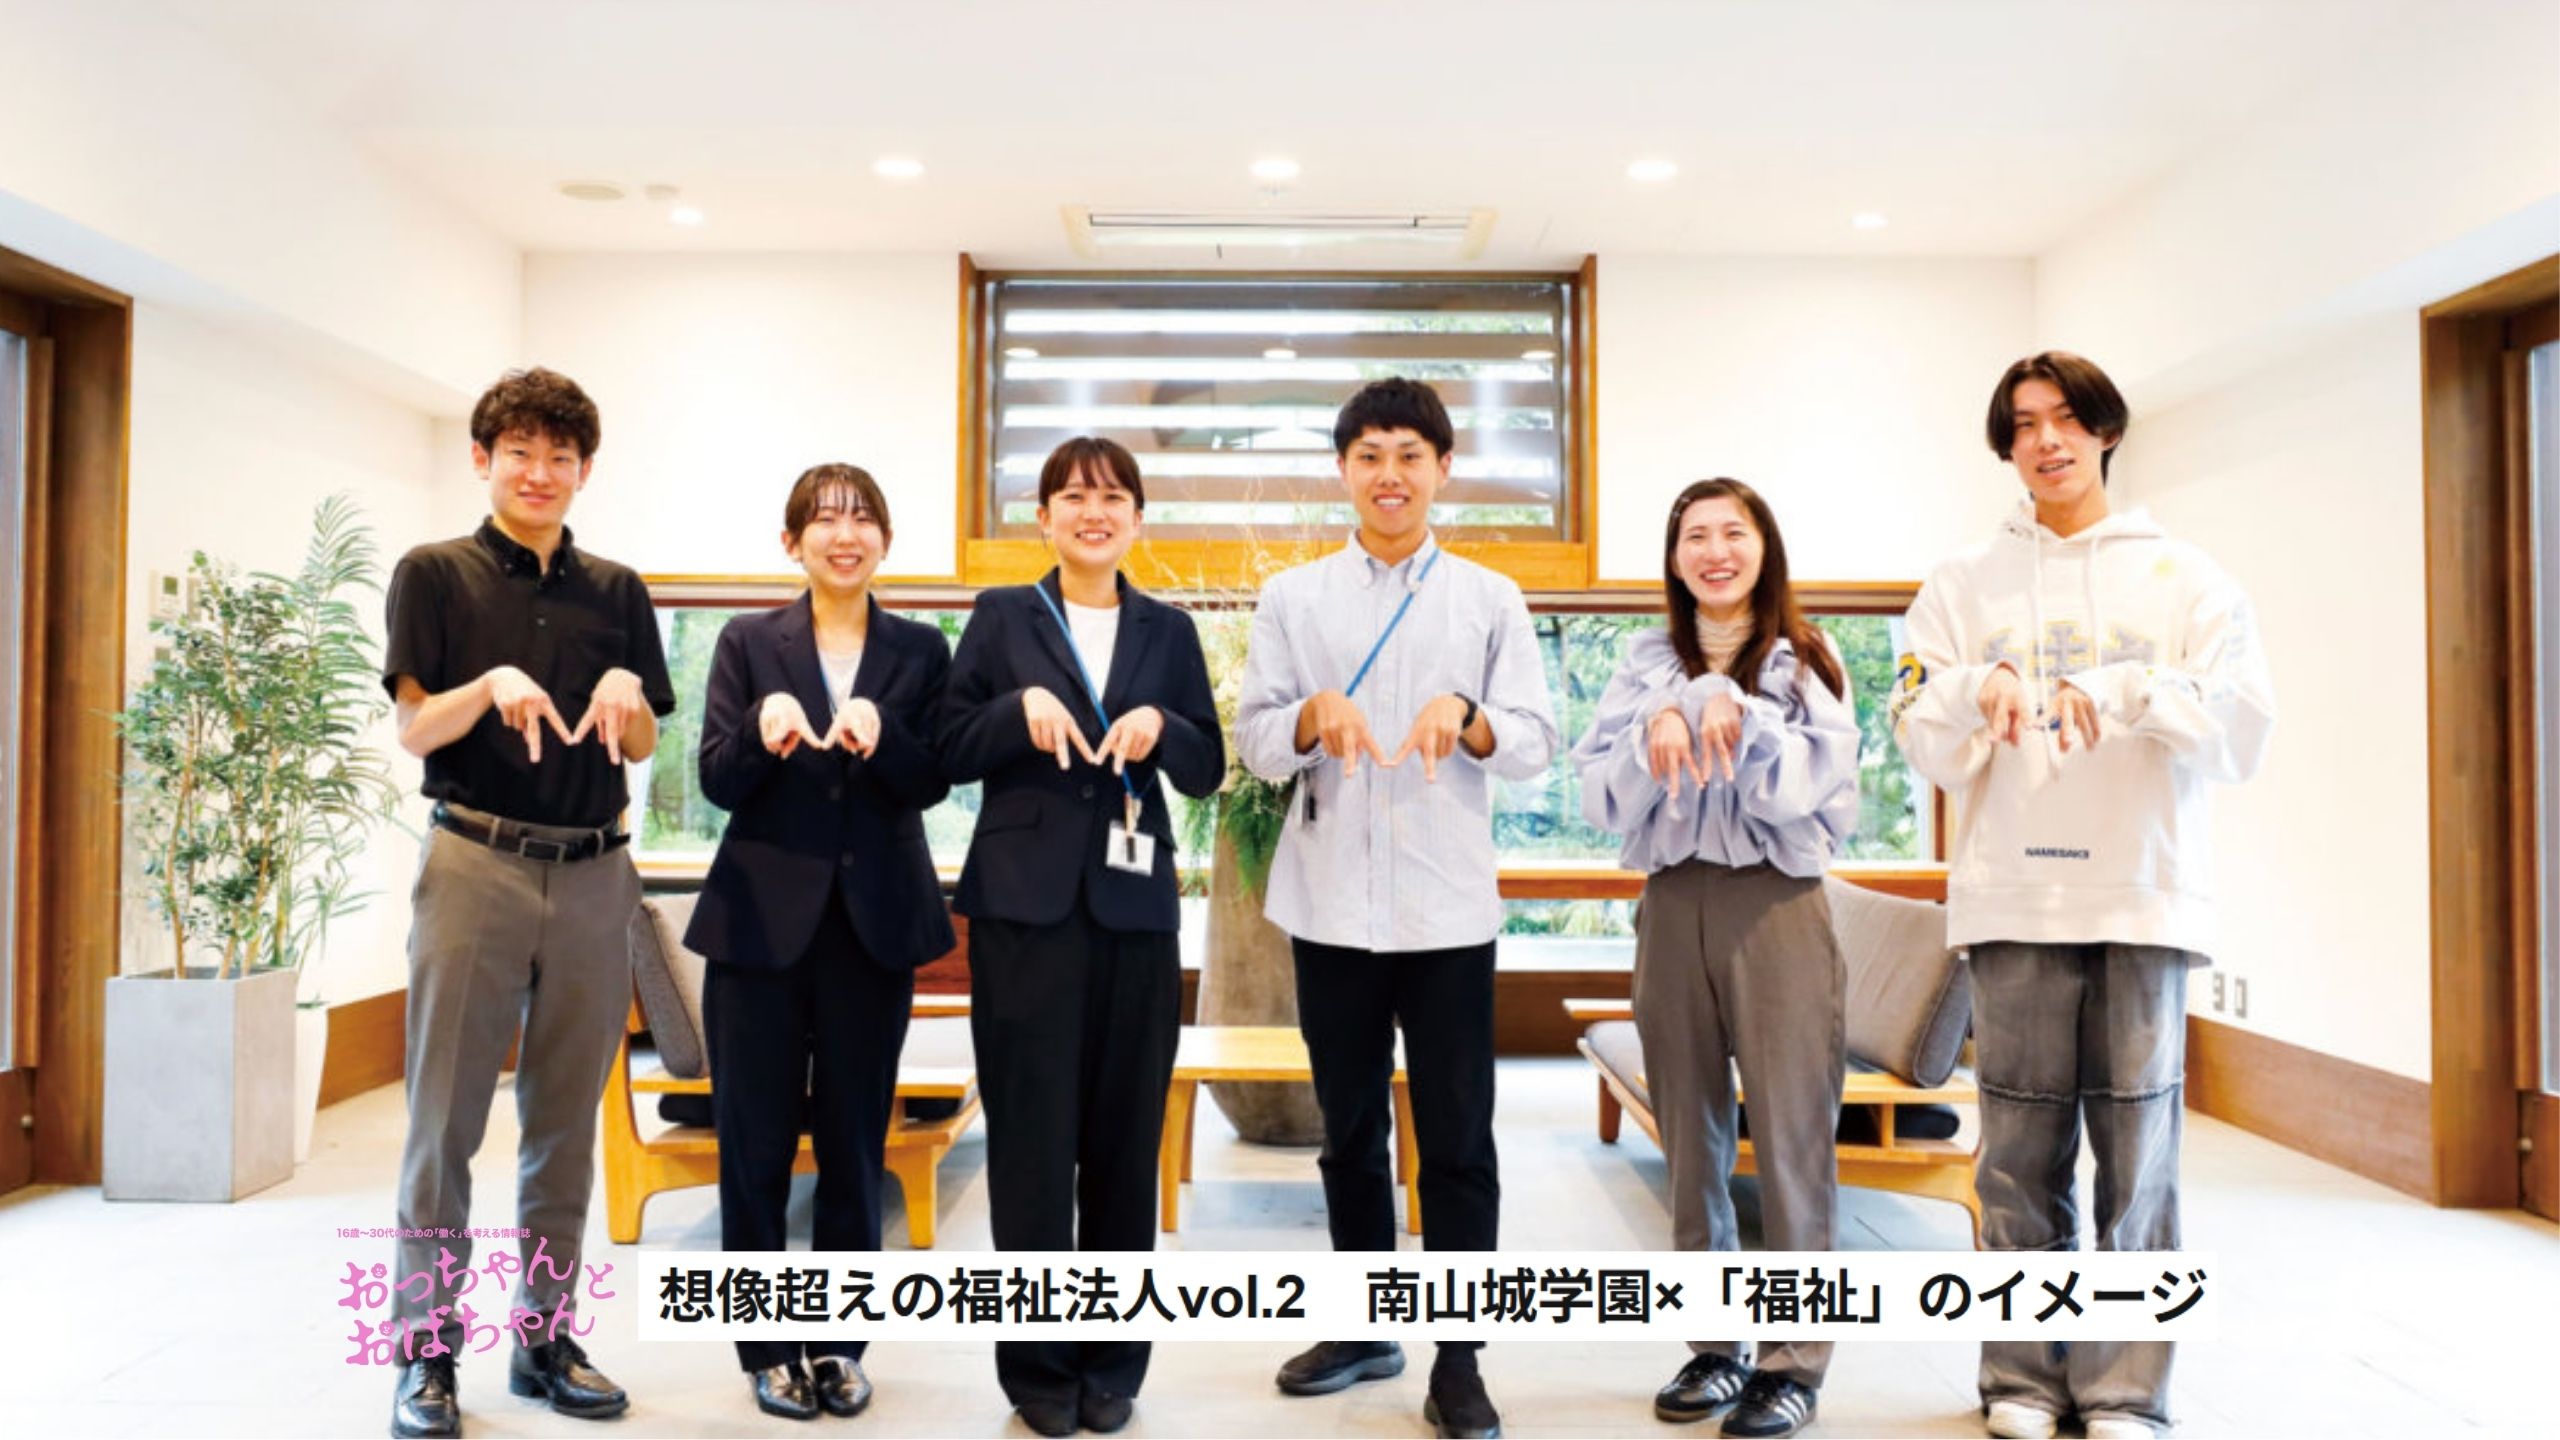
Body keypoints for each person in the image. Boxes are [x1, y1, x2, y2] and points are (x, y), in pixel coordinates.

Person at [1891, 352, 2275, 1440]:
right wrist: (1981, 686)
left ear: (2105, 431)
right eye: (2023, 425)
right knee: (2016, 1154)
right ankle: (2020, 1379)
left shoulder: (2187, 578)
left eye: (2065, 419)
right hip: (2013, 895)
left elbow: (2242, 728)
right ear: (2005, 446)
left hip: (2144, 895)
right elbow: (1914, 723)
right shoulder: (1962, 582)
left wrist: (2133, 687)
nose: (2046, 441)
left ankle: (2125, 1389)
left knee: (2140, 1159)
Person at [1235, 377, 1559, 1440]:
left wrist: (1468, 717)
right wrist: (1307, 716)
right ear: (1343, 470)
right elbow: (1253, 742)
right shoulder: (1294, 598)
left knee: (1458, 1139)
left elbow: (1535, 743)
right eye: (1369, 454)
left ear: (1443, 470)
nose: (1389, 474)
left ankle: (1459, 1358)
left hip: (1447, 911)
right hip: (1330, 906)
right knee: (1349, 1133)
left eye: (1410, 455)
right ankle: (1364, 1326)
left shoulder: (1488, 598)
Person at [382, 367, 674, 1440]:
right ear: (483, 459)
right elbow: (415, 728)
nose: (539, 472)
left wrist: (629, 696)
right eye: (520, 453)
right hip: (477, 864)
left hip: (596, 871)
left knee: (563, 1125)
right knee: (443, 1124)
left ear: (584, 470)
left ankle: (544, 1341)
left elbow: (642, 743)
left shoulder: (618, 590)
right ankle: (425, 1353)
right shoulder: (434, 574)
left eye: (560, 457)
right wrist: (489, 683)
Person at [935, 436, 1224, 1438]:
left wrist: (1161, 726)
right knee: (1029, 1143)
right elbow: (946, 747)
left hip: (1135, 914)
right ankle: (1036, 1369)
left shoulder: (1168, 630)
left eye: (1111, 498)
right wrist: (1017, 709)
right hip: (1023, 911)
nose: (1092, 512)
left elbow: (1207, 766)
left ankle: (1113, 1362)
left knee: (1123, 1143)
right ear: (1043, 517)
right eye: (1072, 496)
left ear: (1137, 518)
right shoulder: (1003, 615)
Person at [1570, 478, 1860, 1439]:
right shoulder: (1644, 662)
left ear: (1764, 547)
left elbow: (1805, 792)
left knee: (1791, 1136)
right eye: (1694, 535)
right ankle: (1714, 1345)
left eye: (1734, 532)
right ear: (1674, 557)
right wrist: (1663, 712)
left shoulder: (1805, 659)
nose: (1715, 551)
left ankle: (1793, 1363)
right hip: (1671, 901)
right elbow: (1600, 795)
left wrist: (1720, 701)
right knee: (1689, 1136)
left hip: (1777, 905)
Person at [683, 463, 954, 1421]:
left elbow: (935, 778)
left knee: (853, 1145)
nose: (846, 535)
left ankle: (840, 1344)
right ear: (791, 541)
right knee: (752, 1148)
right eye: (826, 520)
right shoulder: (748, 641)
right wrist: (762, 731)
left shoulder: (920, 648)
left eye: (863, 518)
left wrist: (888, 737)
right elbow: (716, 779)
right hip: (757, 927)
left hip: (872, 928)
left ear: (886, 539)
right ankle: (766, 1352)